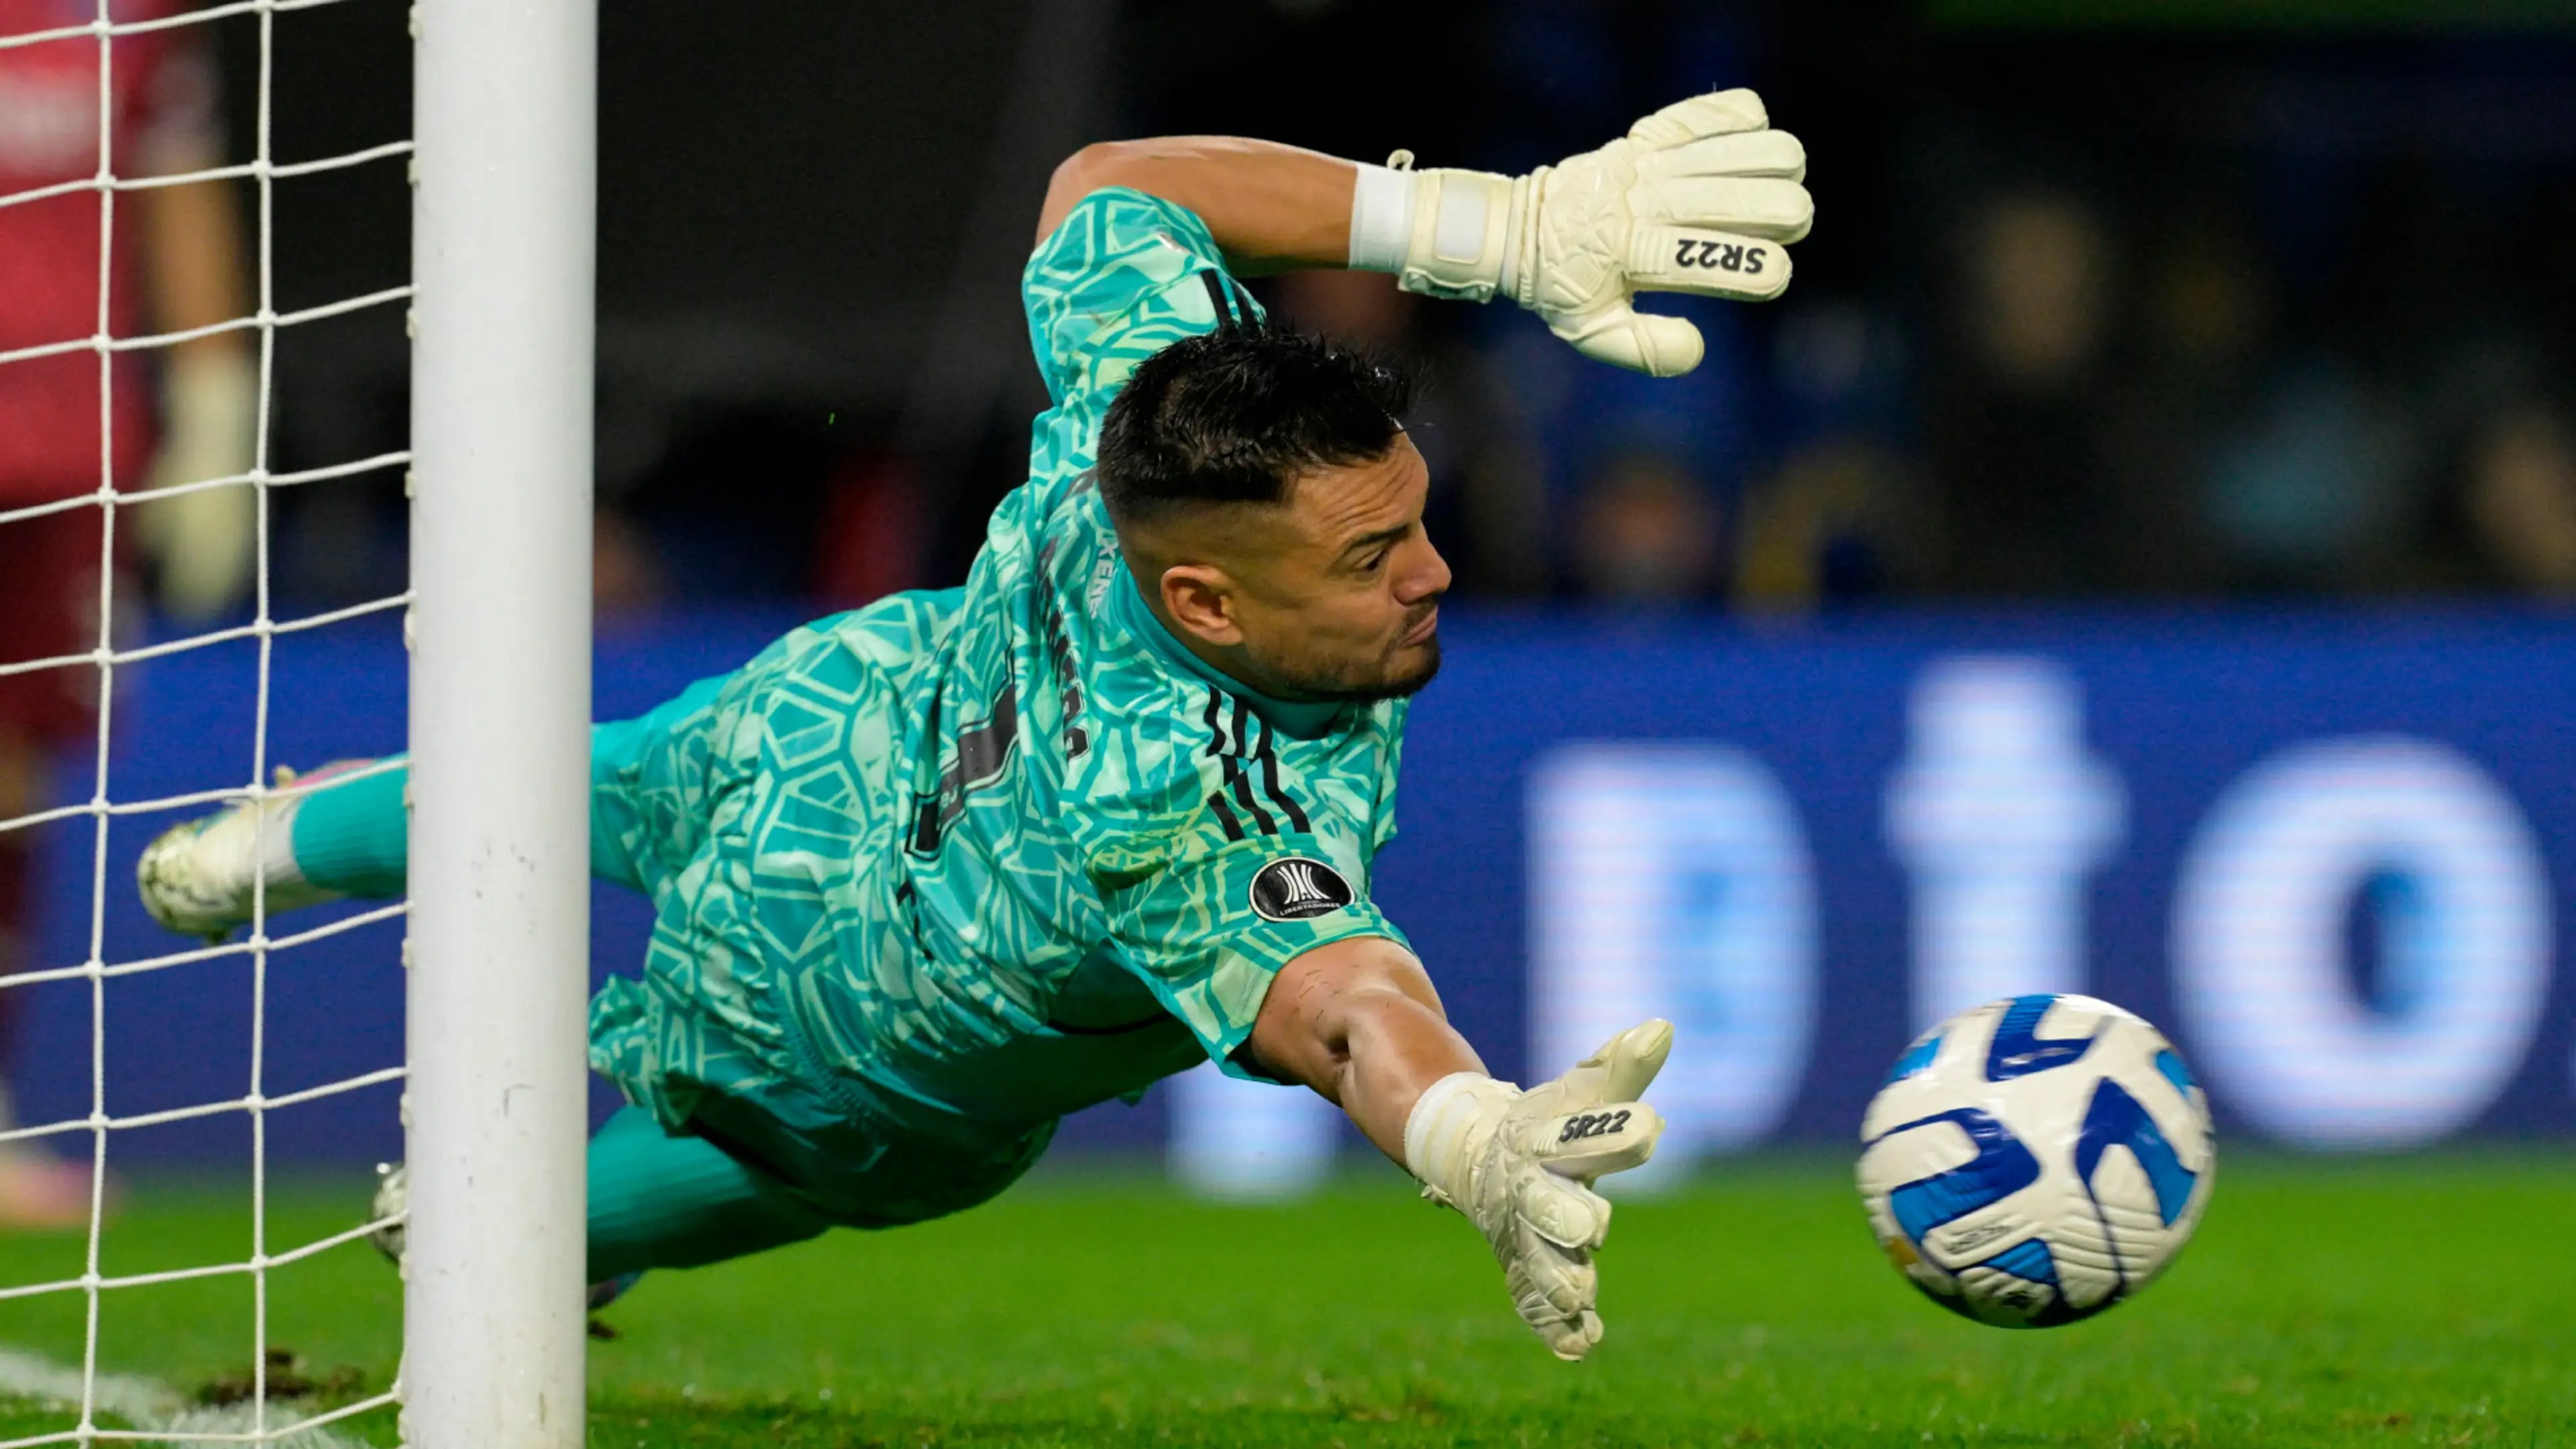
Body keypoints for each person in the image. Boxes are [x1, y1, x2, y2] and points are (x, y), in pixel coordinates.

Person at [134, 91, 1811, 1357]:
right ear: (1207, 608)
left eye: (1420, 520)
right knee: (654, 1132)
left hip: (822, 780)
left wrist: (1497, 232)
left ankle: (280, 847)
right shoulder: (1205, 805)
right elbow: (1351, 1000)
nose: (1436, 575)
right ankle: (480, 1165)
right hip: (856, 1043)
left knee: (580, 791)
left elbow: (1112, 190)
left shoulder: (1149, 417)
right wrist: (1467, 1133)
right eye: (1376, 558)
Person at [0, 0, 256, 1227]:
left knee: (12, 775)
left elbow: (182, 176)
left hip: (66, 443)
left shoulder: (132, 14)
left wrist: (215, 395)